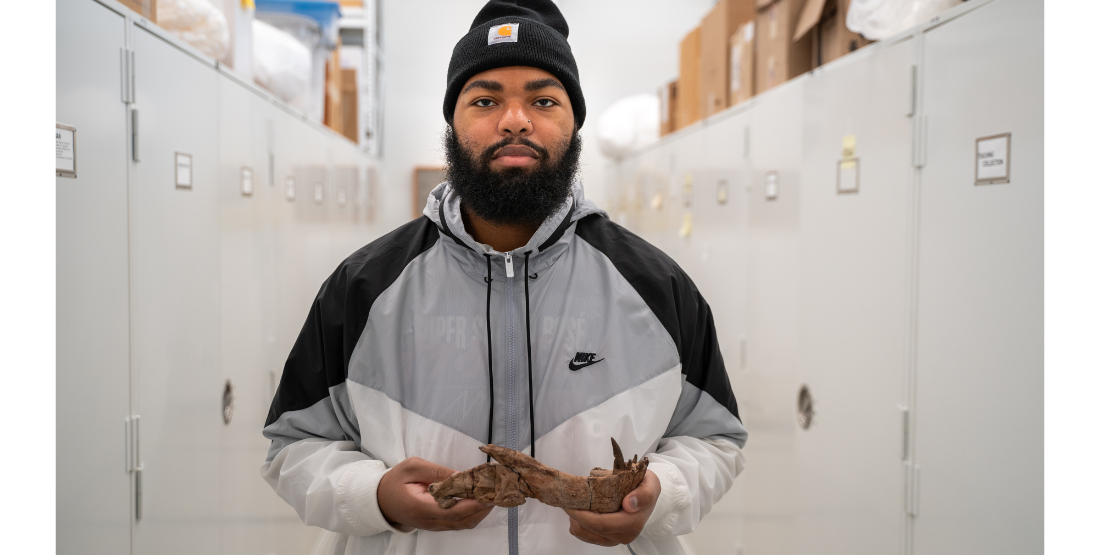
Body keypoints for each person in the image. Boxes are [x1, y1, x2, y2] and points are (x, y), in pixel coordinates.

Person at [260, 1, 747, 553]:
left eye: (543, 100)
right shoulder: (364, 288)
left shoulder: (657, 287)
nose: (515, 119)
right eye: (486, 100)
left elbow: (714, 438)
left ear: (574, 124)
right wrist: (373, 496)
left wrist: (661, 493)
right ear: (452, 122)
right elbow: (293, 445)